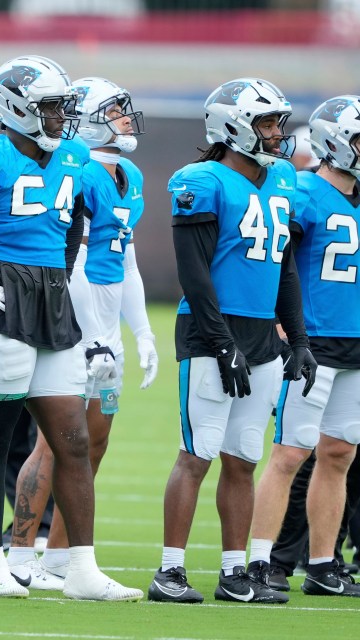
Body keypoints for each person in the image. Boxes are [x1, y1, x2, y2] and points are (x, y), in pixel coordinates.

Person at [0, 55, 142, 601]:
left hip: (51, 301)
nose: (62, 117)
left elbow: (75, 224)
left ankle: (79, 568)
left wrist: (58, 274)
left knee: (73, 440)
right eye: (53, 107)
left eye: (63, 107)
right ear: (17, 108)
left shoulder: (74, 155)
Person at [147, 78, 316, 605]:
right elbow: (193, 274)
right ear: (234, 126)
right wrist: (222, 345)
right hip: (209, 330)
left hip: (262, 334)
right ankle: (169, 572)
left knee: (243, 456)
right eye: (266, 123)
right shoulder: (202, 181)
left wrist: (299, 338)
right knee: (197, 453)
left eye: (277, 123)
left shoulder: (282, 178)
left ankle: (234, 572)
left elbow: (285, 265)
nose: (277, 134)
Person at [3, 76, 157, 588]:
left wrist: (141, 333)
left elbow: (125, 259)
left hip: (107, 328)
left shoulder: (129, 174)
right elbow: (73, 259)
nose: (125, 118)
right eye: (113, 110)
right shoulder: (79, 170)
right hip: (77, 324)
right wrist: (87, 334)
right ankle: (19, 553)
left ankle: (60, 558)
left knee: (96, 441)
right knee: (56, 442)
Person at [247, 95, 360, 598]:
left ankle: (322, 564)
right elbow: (276, 261)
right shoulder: (303, 192)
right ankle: (260, 562)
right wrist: (282, 326)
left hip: (355, 341)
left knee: (339, 453)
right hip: (312, 340)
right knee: (291, 452)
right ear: (336, 141)